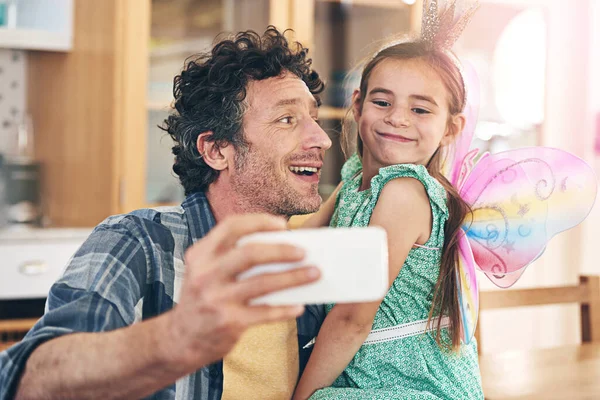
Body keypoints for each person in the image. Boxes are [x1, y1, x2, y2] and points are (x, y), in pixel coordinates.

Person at [0, 27, 336, 400]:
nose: (322, 139)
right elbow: (30, 382)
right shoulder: (139, 241)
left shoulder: (311, 259)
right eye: (286, 120)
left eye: (314, 119)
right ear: (216, 150)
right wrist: (176, 336)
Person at [292, 3, 485, 399]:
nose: (398, 118)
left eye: (419, 109)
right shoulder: (353, 181)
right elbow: (301, 246)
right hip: (363, 373)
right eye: (383, 102)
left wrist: (301, 396)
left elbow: (351, 318)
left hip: (413, 387)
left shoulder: (404, 194)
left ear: (451, 128)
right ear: (359, 105)